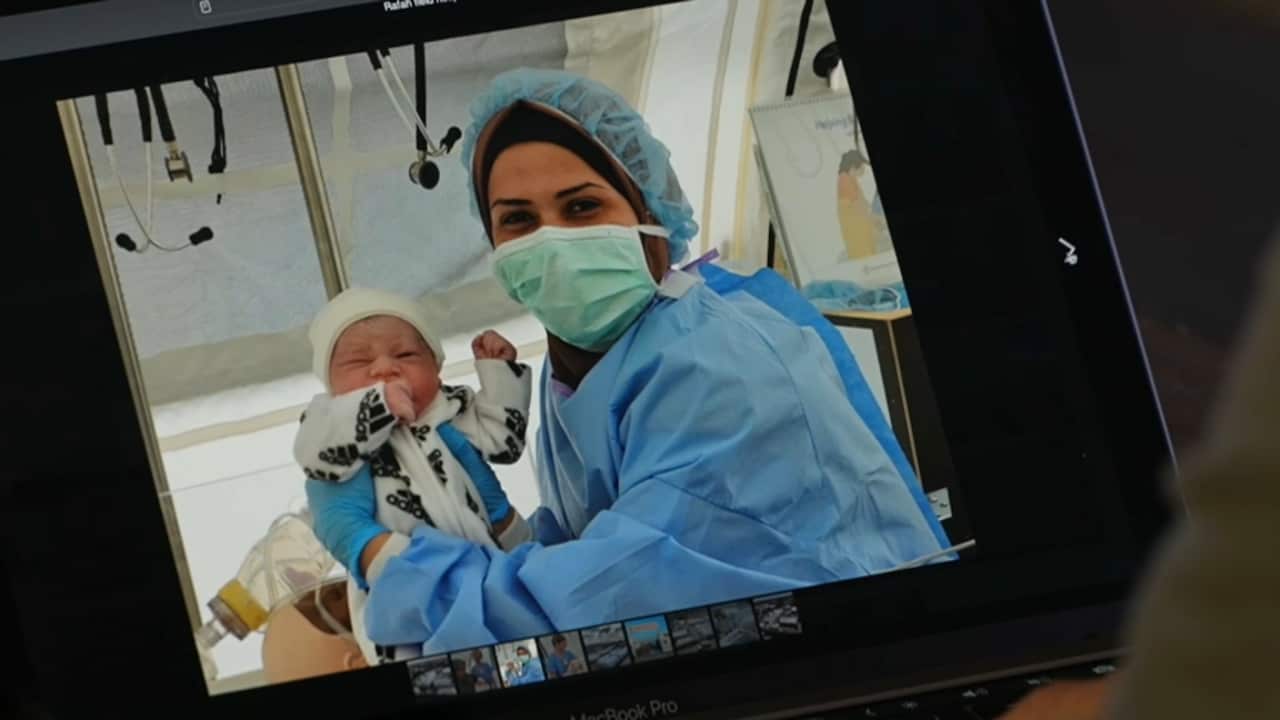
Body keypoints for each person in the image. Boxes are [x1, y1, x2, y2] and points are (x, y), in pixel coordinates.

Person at [305, 67, 947, 656]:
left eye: (582, 207)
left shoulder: (718, 367)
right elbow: (594, 538)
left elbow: (609, 604)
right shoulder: (583, 367)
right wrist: (507, 533)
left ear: (648, 213)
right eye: (518, 220)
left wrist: (393, 566)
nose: (553, 242)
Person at [297, 286, 534, 662]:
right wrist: (376, 407)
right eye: (358, 362)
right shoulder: (329, 420)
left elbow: (505, 442)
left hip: (489, 564)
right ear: (330, 383)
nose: (385, 368)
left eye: (406, 354)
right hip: (398, 584)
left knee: (517, 653)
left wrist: (498, 372)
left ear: (436, 367)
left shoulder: (451, 408)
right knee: (428, 667)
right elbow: (316, 457)